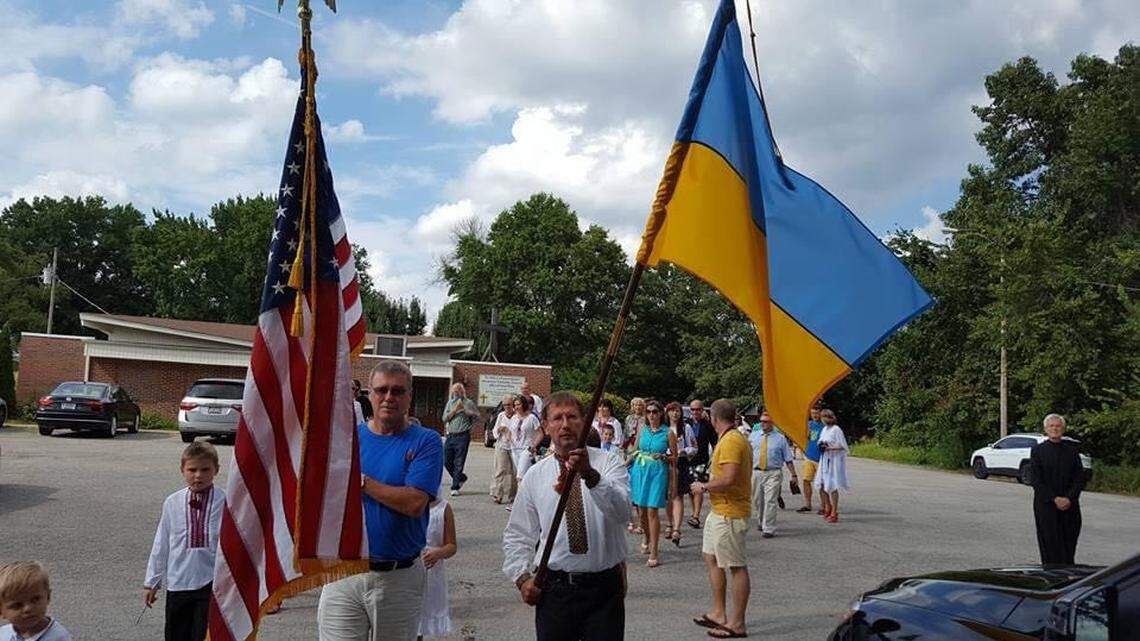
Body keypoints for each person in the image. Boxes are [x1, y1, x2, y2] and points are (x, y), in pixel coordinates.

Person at [318, 361, 444, 641]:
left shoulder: (427, 441)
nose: (389, 397)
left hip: (397, 579)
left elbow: (414, 503)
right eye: (382, 390)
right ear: (369, 395)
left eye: (398, 391)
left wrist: (360, 480)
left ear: (409, 396)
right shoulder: (347, 441)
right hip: (344, 574)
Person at [503, 391, 631, 641]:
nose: (565, 425)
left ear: (583, 422)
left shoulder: (609, 464)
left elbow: (623, 512)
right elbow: (518, 533)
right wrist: (521, 577)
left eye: (572, 417)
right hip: (555, 589)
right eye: (557, 418)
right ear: (546, 426)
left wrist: (591, 476)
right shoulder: (535, 475)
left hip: (603, 589)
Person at [143, 441, 225, 641]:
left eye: (205, 469)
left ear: (216, 470)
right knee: (177, 634)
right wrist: (152, 582)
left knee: (204, 635)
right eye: (192, 469)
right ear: (183, 470)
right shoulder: (173, 502)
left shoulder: (226, 501)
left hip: (212, 583)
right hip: (179, 582)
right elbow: (161, 543)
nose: (198, 475)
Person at [690, 399, 751, 639]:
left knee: (736, 566)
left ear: (713, 418)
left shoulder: (732, 441)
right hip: (720, 511)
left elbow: (729, 478)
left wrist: (703, 486)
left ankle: (737, 623)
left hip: (730, 512)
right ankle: (718, 612)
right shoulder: (728, 439)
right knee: (710, 557)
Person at [1029, 413, 1085, 565]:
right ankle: (1050, 577)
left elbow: (1079, 479)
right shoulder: (1037, 451)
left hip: (1070, 506)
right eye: (1051, 426)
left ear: (1063, 429)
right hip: (1046, 506)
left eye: (1058, 426)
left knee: (1068, 545)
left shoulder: (1072, 451)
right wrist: (1054, 499)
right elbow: (1036, 480)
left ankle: (1068, 577)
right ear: (1046, 429)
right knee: (1050, 545)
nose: (1055, 429)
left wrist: (1068, 498)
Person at [629, 400, 675, 568]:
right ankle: (647, 537)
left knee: (652, 511)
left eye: (655, 412)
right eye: (648, 412)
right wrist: (624, 462)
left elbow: (674, 457)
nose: (651, 415)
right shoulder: (642, 430)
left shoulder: (668, 433)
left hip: (657, 472)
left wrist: (664, 457)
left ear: (660, 414)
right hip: (640, 471)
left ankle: (655, 549)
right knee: (641, 511)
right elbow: (634, 450)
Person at [748, 413, 798, 538]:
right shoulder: (753, 436)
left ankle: (769, 528)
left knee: (770, 500)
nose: (762, 424)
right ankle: (761, 521)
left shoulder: (780, 438)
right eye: (761, 421)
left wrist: (794, 475)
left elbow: (788, 458)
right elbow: (747, 455)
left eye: (766, 421)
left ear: (772, 423)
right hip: (757, 471)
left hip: (773, 472)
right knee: (757, 500)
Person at [418, 489, 457, 640]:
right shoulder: (407, 505)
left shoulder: (443, 508)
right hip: (407, 570)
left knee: (422, 620)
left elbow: (452, 545)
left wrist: (437, 553)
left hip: (431, 574)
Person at [0, 562, 72, 641]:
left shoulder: (58, 637)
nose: (28, 608)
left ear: (48, 597)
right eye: (17, 605)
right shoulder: (4, 634)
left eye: (35, 599)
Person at [665, 401, 695, 547]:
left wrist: (684, 451)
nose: (675, 414)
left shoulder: (686, 428)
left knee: (678, 495)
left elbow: (694, 447)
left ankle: (677, 528)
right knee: (668, 496)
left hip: (680, 462)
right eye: (672, 411)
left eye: (677, 411)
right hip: (665, 463)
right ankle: (669, 523)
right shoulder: (664, 429)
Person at [441, 383, 479, 496]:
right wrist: (455, 410)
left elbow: (477, 415)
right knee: (446, 460)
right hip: (451, 435)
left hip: (463, 435)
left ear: (462, 391)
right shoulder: (450, 403)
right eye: (454, 391)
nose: (456, 392)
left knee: (459, 461)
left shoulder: (468, 402)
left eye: (458, 390)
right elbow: (444, 418)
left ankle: (455, 486)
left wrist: (465, 410)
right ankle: (461, 477)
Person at [686, 399, 718, 528]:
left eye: (698, 409)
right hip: (687, 461)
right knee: (690, 490)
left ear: (702, 410)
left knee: (698, 488)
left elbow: (715, 443)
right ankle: (694, 513)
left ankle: (696, 516)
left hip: (702, 461)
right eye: (693, 409)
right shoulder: (685, 424)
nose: (695, 412)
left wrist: (714, 459)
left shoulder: (708, 425)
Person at [814, 409, 849, 524]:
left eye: (823, 417)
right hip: (824, 458)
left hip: (833, 460)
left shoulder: (836, 429)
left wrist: (829, 447)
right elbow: (821, 441)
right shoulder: (825, 429)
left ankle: (834, 512)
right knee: (821, 484)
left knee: (832, 485)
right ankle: (827, 507)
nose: (822, 420)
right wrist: (821, 445)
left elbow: (843, 446)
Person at [510, 395, 542, 497]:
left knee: (520, 476)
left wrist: (533, 446)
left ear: (523, 404)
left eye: (518, 404)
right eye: (515, 405)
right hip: (515, 449)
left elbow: (540, 433)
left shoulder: (532, 418)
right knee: (523, 475)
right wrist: (509, 439)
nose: (516, 407)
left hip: (526, 449)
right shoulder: (514, 418)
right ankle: (529, 498)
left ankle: (519, 501)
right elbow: (511, 432)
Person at [490, 394, 517, 505]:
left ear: (513, 405)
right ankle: (497, 494)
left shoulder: (517, 416)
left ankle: (513, 496)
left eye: (509, 405)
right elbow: (494, 430)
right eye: (504, 405)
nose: (507, 407)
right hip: (502, 445)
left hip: (515, 447)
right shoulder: (501, 415)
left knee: (515, 472)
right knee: (500, 470)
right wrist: (499, 430)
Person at [797, 407, 825, 513]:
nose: (814, 415)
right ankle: (808, 504)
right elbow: (806, 438)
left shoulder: (825, 425)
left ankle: (824, 505)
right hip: (809, 457)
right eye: (812, 413)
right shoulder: (809, 424)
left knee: (822, 483)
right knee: (806, 480)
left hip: (821, 459)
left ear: (820, 413)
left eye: (816, 413)